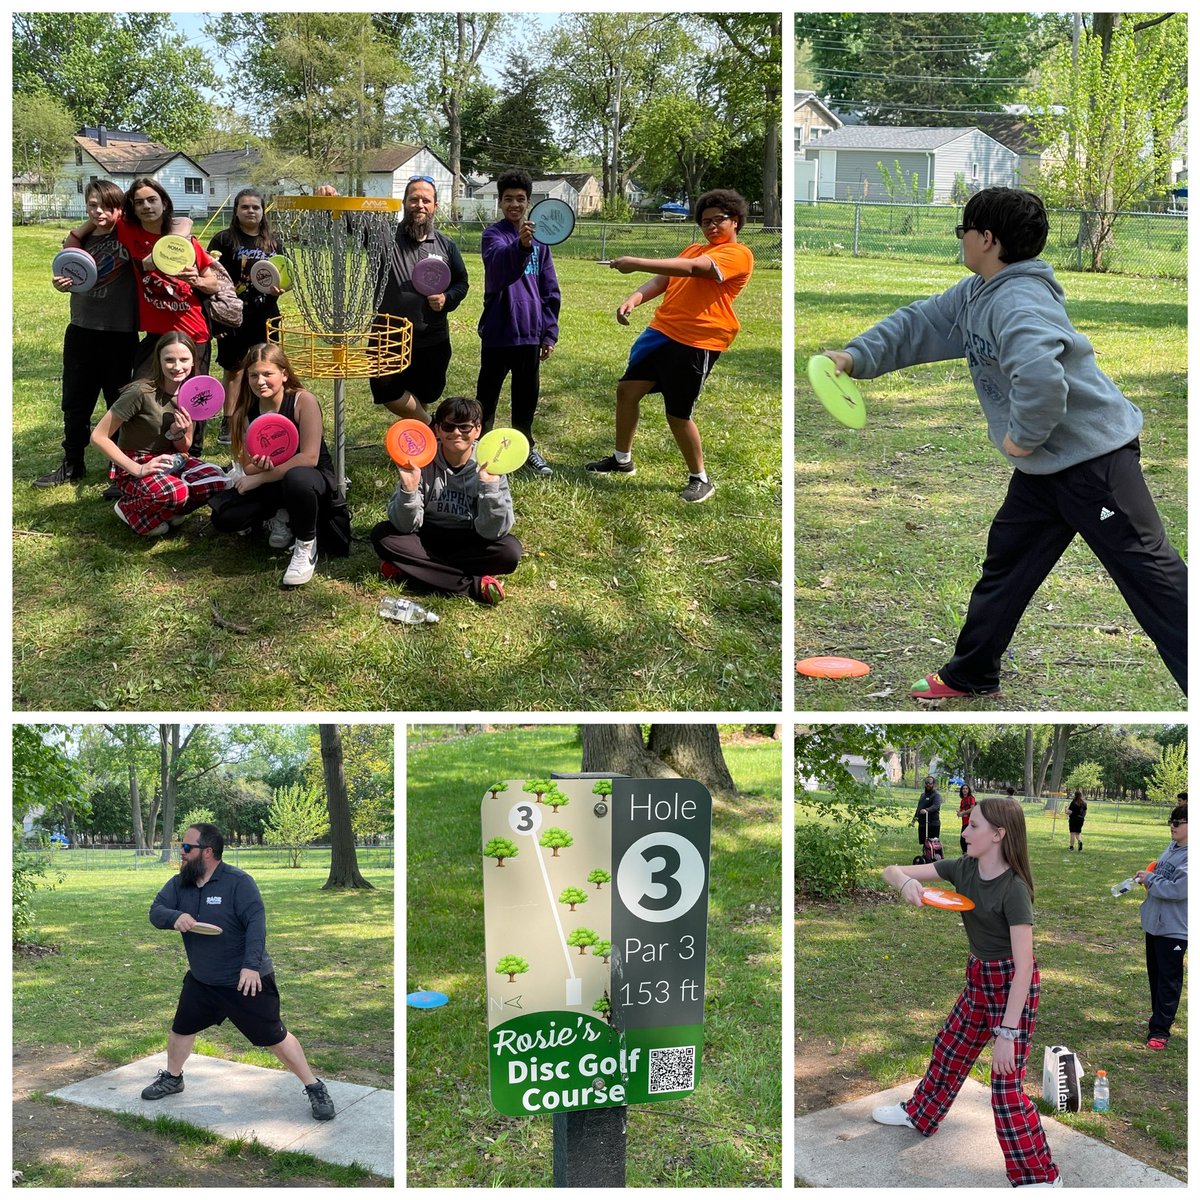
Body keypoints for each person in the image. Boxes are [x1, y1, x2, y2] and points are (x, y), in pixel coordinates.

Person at [823, 187, 1187, 700]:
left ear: (987, 238)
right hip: (1047, 470)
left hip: (1097, 465)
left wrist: (1023, 435)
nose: (961, 240)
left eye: (962, 231)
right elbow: (922, 322)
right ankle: (971, 674)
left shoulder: (1019, 299)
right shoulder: (979, 292)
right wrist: (855, 356)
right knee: (1007, 566)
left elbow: (1042, 377)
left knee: (1154, 579)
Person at [875, 798, 1061, 1188]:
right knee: (949, 1049)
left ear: (998, 834)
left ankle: (1040, 1178)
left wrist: (1007, 1034)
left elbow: (1024, 967)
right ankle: (921, 1114)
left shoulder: (1014, 890)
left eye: (972, 826)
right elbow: (890, 870)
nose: (963, 833)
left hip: (1012, 987)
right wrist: (907, 882)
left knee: (1005, 1086)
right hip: (979, 977)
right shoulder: (962, 868)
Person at [145, 823, 335, 1121]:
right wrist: (175, 916)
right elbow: (156, 911)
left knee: (274, 1035)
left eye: (186, 848)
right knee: (181, 1029)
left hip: (244, 980)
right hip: (202, 979)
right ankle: (173, 1077)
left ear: (206, 852)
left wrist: (251, 967)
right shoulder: (179, 884)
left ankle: (314, 1086)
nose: (180, 853)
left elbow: (256, 925)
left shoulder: (238, 882)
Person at [586, 188, 754, 503]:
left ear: (736, 221)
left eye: (719, 219)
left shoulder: (737, 254)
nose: (711, 226)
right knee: (627, 392)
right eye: (705, 221)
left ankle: (700, 479)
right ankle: (622, 460)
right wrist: (634, 298)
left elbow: (693, 270)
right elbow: (665, 279)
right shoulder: (693, 248)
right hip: (661, 333)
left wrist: (635, 261)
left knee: (677, 413)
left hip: (696, 341)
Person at [37, 180, 139, 488]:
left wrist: (115, 216)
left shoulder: (130, 234)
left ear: (121, 208)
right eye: (92, 205)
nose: (98, 212)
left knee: (117, 400)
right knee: (76, 400)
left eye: (107, 206)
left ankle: (117, 469)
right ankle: (72, 462)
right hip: (81, 329)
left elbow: (175, 223)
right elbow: (65, 264)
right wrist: (58, 283)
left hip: (120, 333)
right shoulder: (82, 239)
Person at [370, 396, 520, 604]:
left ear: (478, 430)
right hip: (427, 535)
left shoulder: (490, 464)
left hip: (470, 538)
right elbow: (404, 526)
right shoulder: (420, 459)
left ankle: (411, 569)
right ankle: (473, 586)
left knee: (509, 551)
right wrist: (409, 489)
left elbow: (493, 532)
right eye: (449, 427)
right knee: (383, 535)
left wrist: (490, 488)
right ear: (438, 429)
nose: (456, 433)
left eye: (465, 427)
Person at [208, 344, 335, 587]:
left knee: (297, 477)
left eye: (268, 374)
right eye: (254, 375)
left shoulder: (302, 400)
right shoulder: (245, 413)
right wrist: (259, 467)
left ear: (284, 374)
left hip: (310, 479)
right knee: (224, 518)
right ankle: (280, 514)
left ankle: (306, 544)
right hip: (272, 479)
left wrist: (260, 478)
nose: (260, 381)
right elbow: (248, 467)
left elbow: (310, 458)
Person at [90, 332, 227, 536]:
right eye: (169, 360)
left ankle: (169, 510)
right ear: (159, 361)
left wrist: (177, 434)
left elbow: (185, 447)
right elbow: (98, 437)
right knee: (175, 492)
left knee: (217, 480)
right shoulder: (140, 392)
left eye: (183, 359)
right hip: (136, 462)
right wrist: (139, 469)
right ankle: (128, 509)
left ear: (193, 361)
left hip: (172, 459)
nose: (177, 367)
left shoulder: (192, 394)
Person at [476, 169, 560, 477]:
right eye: (508, 199)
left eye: (520, 199)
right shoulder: (493, 236)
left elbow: (550, 290)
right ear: (500, 202)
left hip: (530, 333)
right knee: (488, 395)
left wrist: (548, 332)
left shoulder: (542, 241)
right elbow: (499, 267)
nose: (515, 204)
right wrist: (521, 246)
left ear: (528, 202)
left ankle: (525, 448)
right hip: (499, 331)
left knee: (526, 395)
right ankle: (481, 447)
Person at [370, 176, 469, 425]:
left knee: (423, 395)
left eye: (426, 200)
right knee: (388, 392)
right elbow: (352, 221)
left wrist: (447, 298)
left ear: (435, 205)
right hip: (387, 337)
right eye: (414, 199)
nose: (420, 205)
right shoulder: (383, 237)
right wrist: (333, 199)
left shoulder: (445, 244)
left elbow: (461, 282)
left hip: (432, 339)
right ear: (404, 202)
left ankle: (417, 450)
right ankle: (432, 427)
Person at [205, 188, 285, 445]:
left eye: (256, 207)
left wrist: (280, 287)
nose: (251, 211)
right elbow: (209, 275)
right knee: (235, 369)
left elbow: (284, 275)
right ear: (236, 211)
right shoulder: (224, 240)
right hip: (232, 316)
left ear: (263, 212)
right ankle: (229, 422)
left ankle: (267, 416)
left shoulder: (273, 243)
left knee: (267, 367)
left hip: (266, 315)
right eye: (245, 207)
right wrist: (216, 317)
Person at [1135, 803, 1187, 1050]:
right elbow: (1160, 873)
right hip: (1156, 924)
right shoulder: (1173, 847)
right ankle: (1159, 1016)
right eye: (1171, 821)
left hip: (1174, 929)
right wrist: (1147, 874)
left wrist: (1151, 879)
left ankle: (1160, 1031)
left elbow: (1178, 889)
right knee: (1155, 975)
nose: (1172, 826)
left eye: (1178, 822)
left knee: (1169, 979)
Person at [913, 776, 942, 847]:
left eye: (930, 783)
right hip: (922, 823)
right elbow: (919, 808)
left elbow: (936, 806)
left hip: (932, 823)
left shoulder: (936, 795)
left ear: (933, 784)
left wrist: (927, 810)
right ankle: (925, 855)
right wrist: (914, 819)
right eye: (926, 783)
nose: (928, 785)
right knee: (924, 842)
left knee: (932, 843)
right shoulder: (922, 795)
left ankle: (932, 856)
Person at [957, 784, 977, 855]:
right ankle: (965, 854)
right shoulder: (962, 800)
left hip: (970, 822)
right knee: (963, 839)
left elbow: (972, 808)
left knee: (964, 839)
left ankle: (967, 854)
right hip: (964, 822)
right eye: (963, 789)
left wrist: (963, 813)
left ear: (968, 790)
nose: (965, 790)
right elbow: (961, 810)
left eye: (966, 789)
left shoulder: (971, 798)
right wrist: (959, 813)